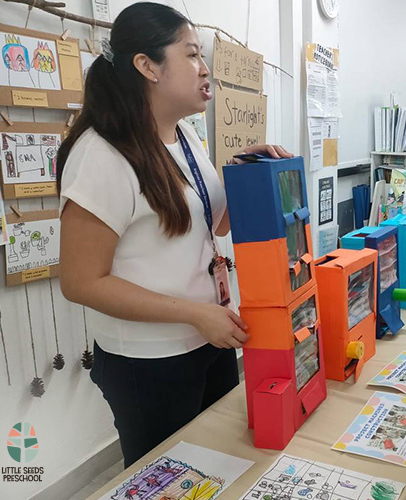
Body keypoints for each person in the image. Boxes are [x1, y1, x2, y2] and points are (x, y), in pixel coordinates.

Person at [56, 2, 292, 468]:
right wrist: (194, 314)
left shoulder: (185, 137)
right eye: (190, 55)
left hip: (208, 338)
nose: (205, 70)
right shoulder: (100, 155)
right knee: (167, 479)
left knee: (217, 466)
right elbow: (80, 281)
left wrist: (249, 175)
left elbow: (212, 223)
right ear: (147, 66)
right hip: (150, 360)